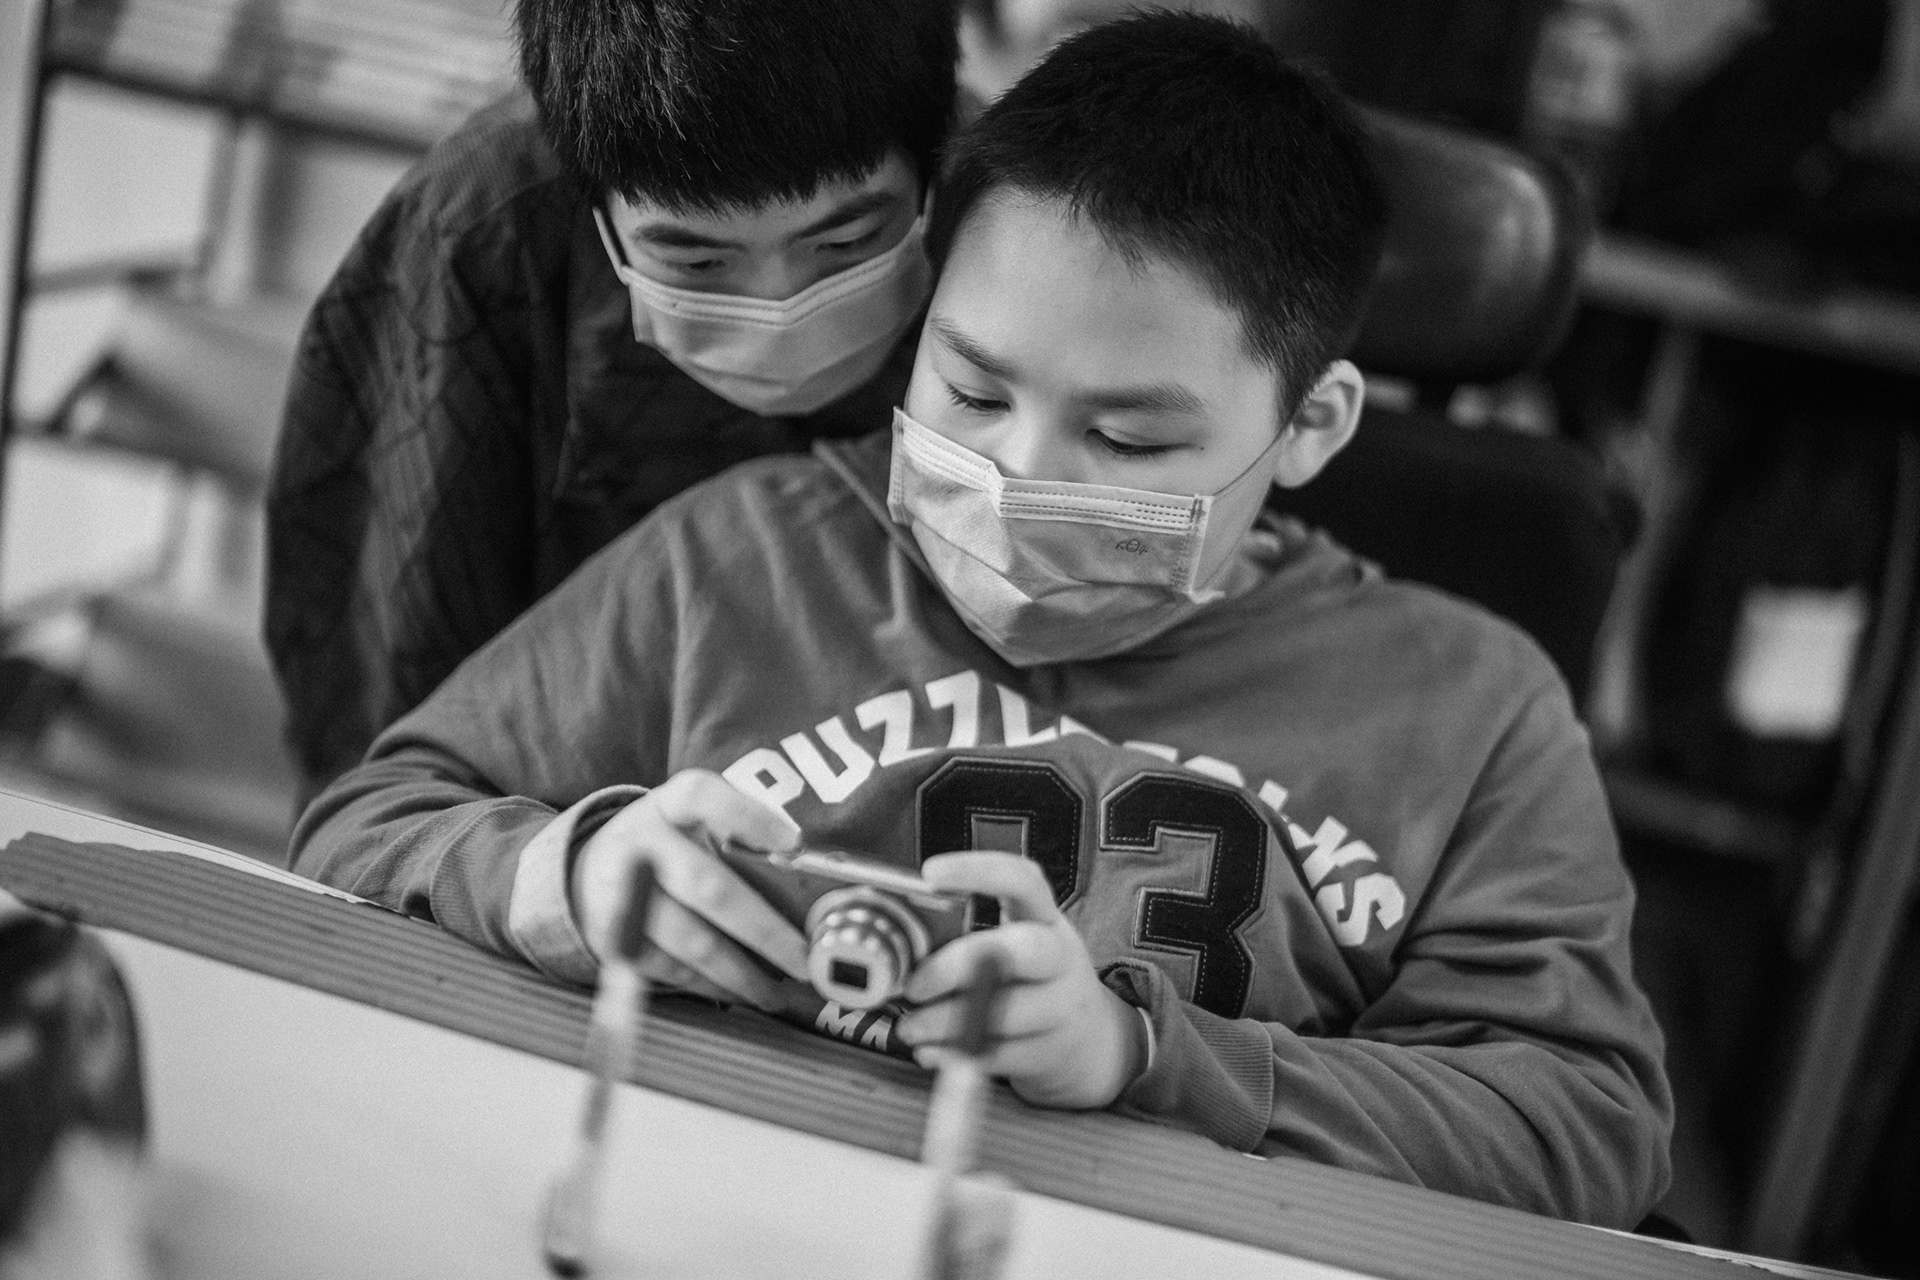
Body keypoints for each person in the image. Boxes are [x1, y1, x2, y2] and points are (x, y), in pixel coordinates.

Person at [291, 13, 1673, 1227]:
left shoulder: (1472, 707)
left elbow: (1588, 1124)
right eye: (970, 391)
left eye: (1129, 441)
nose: (1015, 480)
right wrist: (575, 875)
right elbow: (369, 817)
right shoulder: (733, 563)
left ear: (1309, 424)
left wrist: (1142, 1055)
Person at [265, 0, 958, 801]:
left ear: (931, 168)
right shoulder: (478, 236)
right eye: (698, 264)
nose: (780, 307)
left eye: (846, 243)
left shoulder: (1009, 210)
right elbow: (387, 721)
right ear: (598, 210)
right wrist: (513, 852)